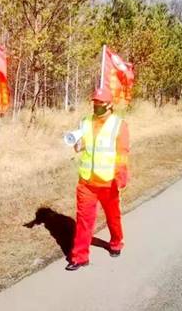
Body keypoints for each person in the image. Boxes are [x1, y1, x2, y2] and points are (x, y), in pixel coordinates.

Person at [66, 87, 130, 271]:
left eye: (100, 102)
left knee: (113, 216)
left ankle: (116, 242)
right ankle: (79, 257)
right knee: (83, 220)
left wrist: (121, 176)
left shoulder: (119, 125)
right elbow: (82, 146)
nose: (96, 105)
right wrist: (76, 144)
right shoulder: (85, 121)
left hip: (108, 182)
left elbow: (122, 153)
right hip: (86, 181)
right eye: (94, 102)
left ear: (109, 105)